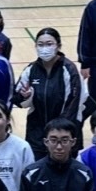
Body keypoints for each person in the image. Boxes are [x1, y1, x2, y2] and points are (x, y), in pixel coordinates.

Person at [17, 27, 83, 161]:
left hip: (63, 137)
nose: (44, 48)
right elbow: (17, 99)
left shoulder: (69, 70)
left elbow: (73, 105)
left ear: (58, 46)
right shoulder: (31, 69)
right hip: (36, 136)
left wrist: (57, 133)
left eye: (49, 44)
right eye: (40, 45)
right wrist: (25, 96)